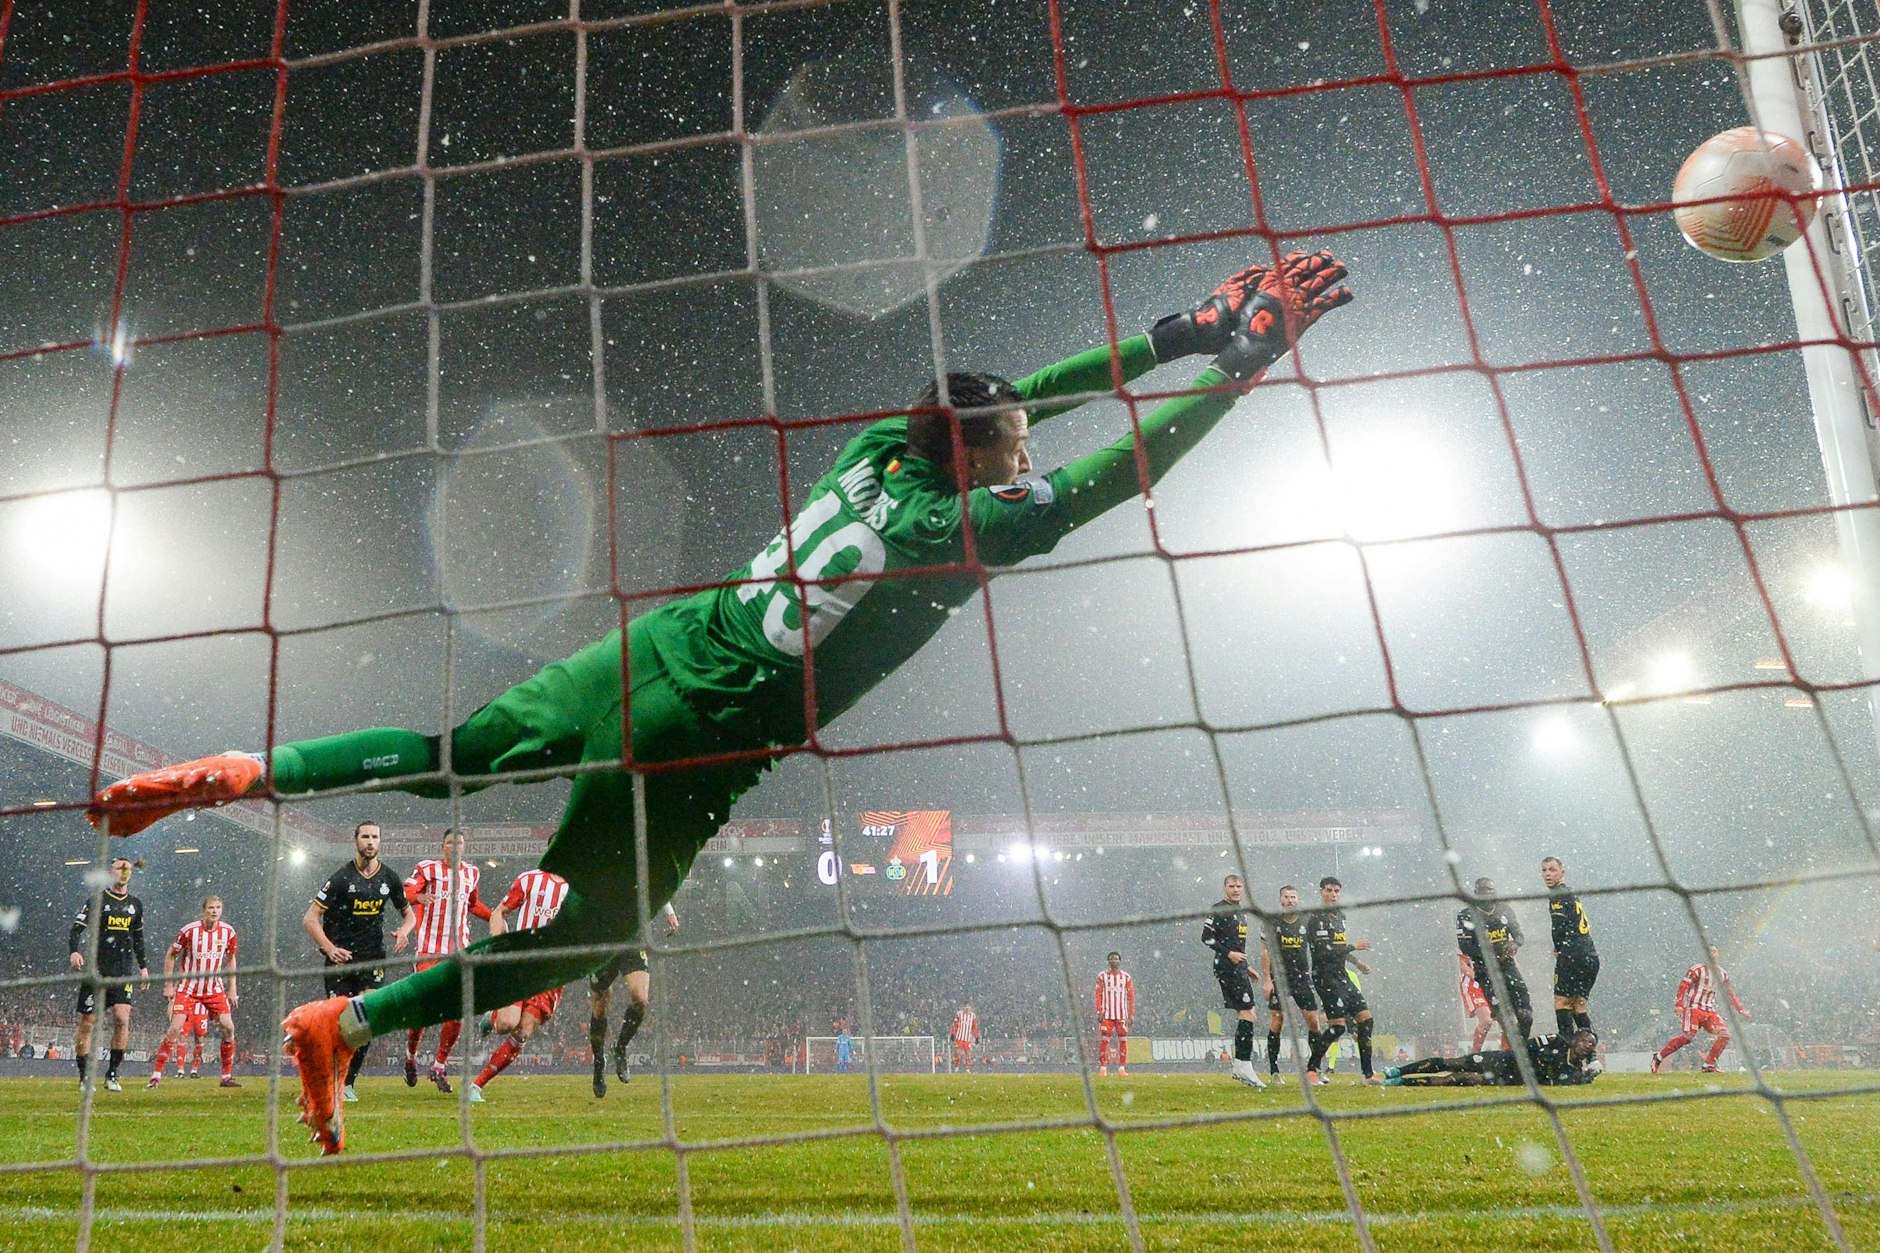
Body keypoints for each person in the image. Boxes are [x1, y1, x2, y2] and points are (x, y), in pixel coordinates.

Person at [87, 251, 1353, 1151]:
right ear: (972, 463)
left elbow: (1032, 399)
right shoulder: (947, 527)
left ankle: (258, 768)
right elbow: (1110, 472)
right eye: (1010, 441)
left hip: (658, 640)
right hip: (698, 736)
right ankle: (342, 1017)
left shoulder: (877, 449)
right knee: (581, 942)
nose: (1025, 442)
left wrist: (1175, 334)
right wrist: (1236, 368)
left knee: (453, 751)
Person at [305, 820, 416, 1102]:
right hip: (341, 959)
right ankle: (329, 1076)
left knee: (367, 1020)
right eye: (365, 836)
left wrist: (403, 931)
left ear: (380, 841)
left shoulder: (389, 878)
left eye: (375, 837)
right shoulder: (341, 878)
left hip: (372, 958)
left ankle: (348, 1083)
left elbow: (409, 914)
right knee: (340, 1025)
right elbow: (310, 918)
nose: (370, 841)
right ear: (355, 841)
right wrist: (329, 948)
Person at [402, 829, 498, 1093]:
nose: (454, 847)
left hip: (459, 951)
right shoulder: (427, 869)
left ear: (464, 847)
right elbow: (406, 893)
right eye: (449, 842)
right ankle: (411, 1056)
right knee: (423, 1009)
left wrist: (494, 917)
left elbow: (473, 904)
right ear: (442, 846)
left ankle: (438, 1066)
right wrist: (419, 897)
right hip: (429, 950)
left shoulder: (471, 873)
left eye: (459, 842)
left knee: (457, 1010)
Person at [470, 867, 570, 1102]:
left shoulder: (578, 893)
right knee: (505, 1024)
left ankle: (476, 1086)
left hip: (551, 973)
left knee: (522, 1032)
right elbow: (498, 913)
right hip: (521, 964)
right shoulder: (529, 879)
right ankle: (492, 1016)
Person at [69, 857, 148, 1092]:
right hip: (97, 970)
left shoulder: (136, 904)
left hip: (123, 972)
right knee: (88, 1022)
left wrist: (143, 967)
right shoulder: (98, 899)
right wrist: (74, 951)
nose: (124, 872)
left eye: (128, 869)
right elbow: (76, 928)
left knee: (122, 1019)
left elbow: (138, 939)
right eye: (119, 868)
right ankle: (84, 1076)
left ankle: (112, 1074)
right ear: (110, 872)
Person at [586, 900, 679, 1098]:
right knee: (600, 1007)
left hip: (632, 937)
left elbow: (655, 879)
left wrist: (668, 912)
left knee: (641, 998)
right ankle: (599, 1062)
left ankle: (620, 1047)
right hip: (602, 940)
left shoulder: (634, 870)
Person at [148, 896, 240, 1088]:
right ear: (203, 910)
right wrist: (168, 984)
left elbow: (231, 959)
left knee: (228, 1027)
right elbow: (171, 954)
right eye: (211, 908)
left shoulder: (228, 933)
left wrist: (232, 989)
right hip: (188, 987)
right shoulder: (189, 931)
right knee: (175, 1029)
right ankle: (156, 1075)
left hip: (213, 988)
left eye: (218, 908)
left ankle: (226, 1077)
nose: (214, 911)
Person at [1307, 876, 1379, 1084]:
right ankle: (1311, 1069)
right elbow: (1323, 952)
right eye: (1329, 890)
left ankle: (1368, 1074)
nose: (1333, 895)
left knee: (1366, 1020)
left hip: (1341, 975)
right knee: (1338, 1027)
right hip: (1325, 976)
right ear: (1321, 892)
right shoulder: (1316, 919)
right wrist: (1353, 947)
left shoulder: (1340, 916)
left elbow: (1340, 948)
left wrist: (1357, 963)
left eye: (1337, 891)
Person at [1202, 873, 1268, 1089]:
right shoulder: (1219, 909)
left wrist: (1245, 966)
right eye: (1232, 886)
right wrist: (1228, 953)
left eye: (1239, 886)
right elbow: (1206, 937)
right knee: (1248, 1013)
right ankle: (1243, 1065)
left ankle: (1240, 1064)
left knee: (1249, 1014)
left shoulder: (1242, 914)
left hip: (1237, 968)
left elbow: (1237, 946)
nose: (1236, 889)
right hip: (1227, 968)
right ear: (1225, 888)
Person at [1261, 885, 1330, 1083]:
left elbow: (1317, 948)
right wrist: (1267, 980)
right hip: (1280, 978)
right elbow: (1265, 951)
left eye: (1293, 897)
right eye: (1286, 897)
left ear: (1297, 900)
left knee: (1314, 1022)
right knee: (1277, 1021)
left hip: (1302, 977)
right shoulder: (1272, 921)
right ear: (1280, 900)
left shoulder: (1306, 920)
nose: (1290, 900)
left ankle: (1315, 1068)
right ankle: (1274, 1071)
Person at [1456, 876, 1532, 1040]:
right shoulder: (1467, 915)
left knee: (1526, 1015)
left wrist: (1514, 944)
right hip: (1485, 971)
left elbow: (1519, 935)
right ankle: (1510, 1053)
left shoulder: (1504, 910)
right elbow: (1465, 946)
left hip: (1508, 966)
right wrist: (1490, 952)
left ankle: (1522, 1049)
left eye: (1489, 892)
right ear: (1476, 894)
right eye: (1483, 893)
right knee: (1502, 1018)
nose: (1487, 897)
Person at [1653, 946, 1750, 1073]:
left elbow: (1729, 993)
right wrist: (1679, 1004)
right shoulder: (1697, 970)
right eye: (1709, 952)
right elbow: (1683, 986)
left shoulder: (1723, 974)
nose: (1712, 954)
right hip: (1693, 1009)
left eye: (1715, 951)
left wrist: (1741, 1010)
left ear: (1718, 954)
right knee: (1687, 1038)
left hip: (1709, 1011)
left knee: (1725, 1035)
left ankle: (1709, 1064)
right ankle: (1658, 1057)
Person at [1383, 1029, 1599, 1087]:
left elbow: (1562, 1082)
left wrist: (1587, 1077)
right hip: (1504, 1060)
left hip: (1510, 1078)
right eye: (1585, 1040)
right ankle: (1399, 1070)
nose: (1587, 1046)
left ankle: (1402, 1082)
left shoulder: (1573, 1070)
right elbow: (1526, 1046)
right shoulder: (1556, 1040)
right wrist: (1542, 1059)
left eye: (1591, 1045)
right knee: (1452, 1063)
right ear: (1574, 1039)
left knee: (1458, 1079)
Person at [1542, 856, 1599, 1038]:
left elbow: (1558, 925)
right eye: (1544, 870)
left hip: (1572, 955)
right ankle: (1591, 1059)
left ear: (1562, 872)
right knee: (1579, 1006)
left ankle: (1566, 1056)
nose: (1547, 874)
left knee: (1562, 1003)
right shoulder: (1571, 894)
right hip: (1590, 955)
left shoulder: (1557, 895)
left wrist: (1559, 948)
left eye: (1552, 870)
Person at [1094, 951, 1134, 1077]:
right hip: (1107, 1015)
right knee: (1104, 1040)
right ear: (1108, 961)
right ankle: (1103, 1068)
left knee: (1122, 1040)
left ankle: (1122, 1068)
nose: (1114, 960)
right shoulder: (1102, 976)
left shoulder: (1126, 977)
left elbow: (1131, 997)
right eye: (1111, 959)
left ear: (1120, 961)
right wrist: (1099, 1011)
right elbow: (1098, 994)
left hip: (1122, 1015)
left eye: (1116, 958)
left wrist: (1130, 1015)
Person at [1458, 952, 1498, 1054]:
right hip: (1474, 985)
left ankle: (1508, 1054)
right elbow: (1463, 966)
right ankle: (1475, 1053)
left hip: (1494, 985)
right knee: (1486, 1020)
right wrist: (1479, 976)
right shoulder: (1469, 941)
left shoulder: (1499, 941)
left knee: (1508, 1021)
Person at [951, 1003, 980, 1073]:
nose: (967, 1008)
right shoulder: (959, 1014)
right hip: (959, 1037)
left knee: (968, 1054)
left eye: (968, 1007)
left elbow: (974, 1028)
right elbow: (955, 1025)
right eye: (966, 1007)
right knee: (957, 1053)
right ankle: (957, 1067)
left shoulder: (973, 1016)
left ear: (970, 1008)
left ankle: (967, 1068)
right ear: (963, 1007)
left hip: (967, 1038)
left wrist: (976, 1037)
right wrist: (953, 1033)